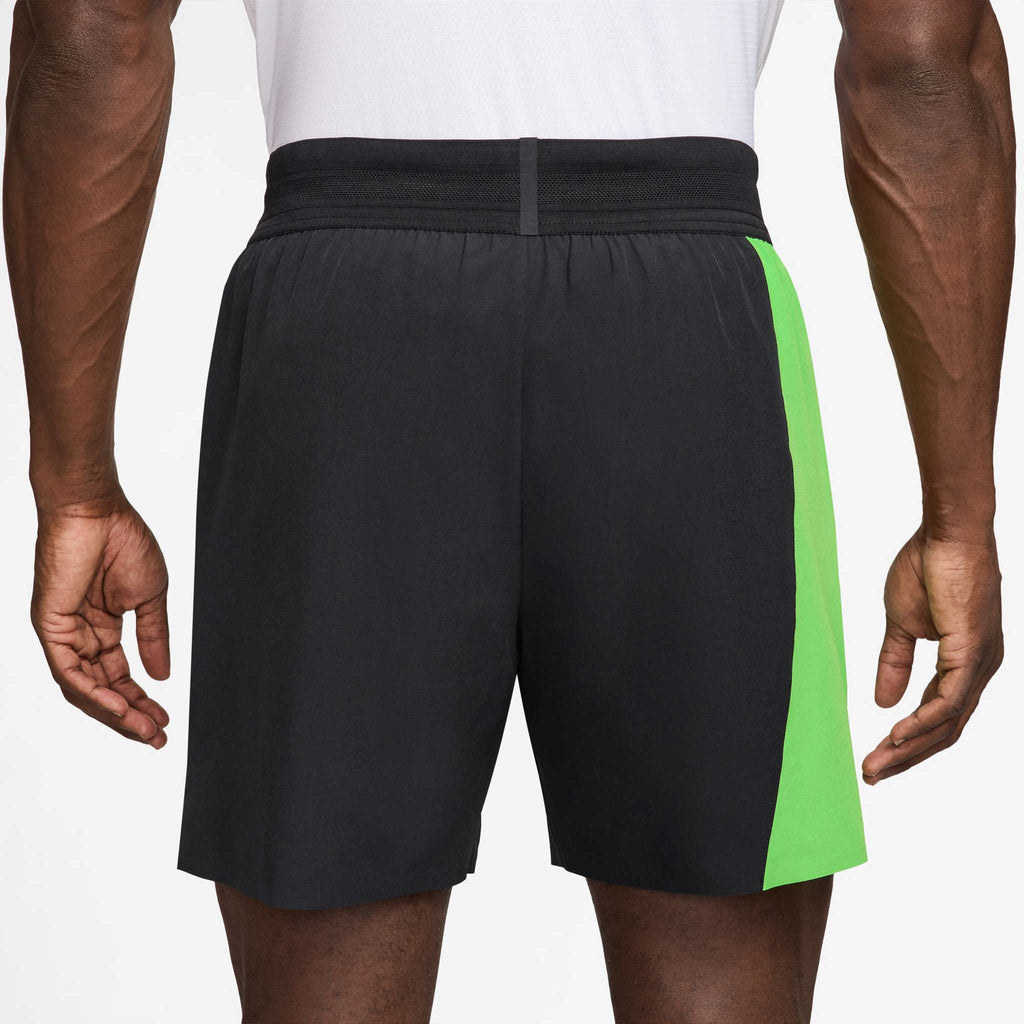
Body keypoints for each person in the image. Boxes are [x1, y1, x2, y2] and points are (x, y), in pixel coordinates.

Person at [5, 1, 1011, 1021]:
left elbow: (85, 34)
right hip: (683, 322)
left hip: (347, 324)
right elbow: (925, 59)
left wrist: (76, 486)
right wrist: (959, 514)